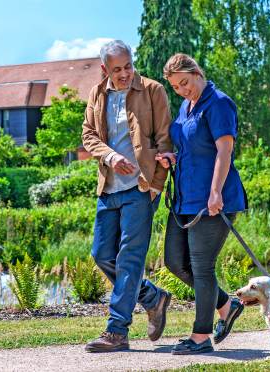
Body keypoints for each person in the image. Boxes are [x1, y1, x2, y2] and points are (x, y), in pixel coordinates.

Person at [82, 40, 173, 352]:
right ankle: (152, 297)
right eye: (117, 69)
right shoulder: (97, 93)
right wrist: (109, 157)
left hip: (141, 189)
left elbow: (164, 139)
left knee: (129, 260)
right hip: (108, 187)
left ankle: (116, 331)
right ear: (105, 69)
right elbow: (88, 135)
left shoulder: (152, 90)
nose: (124, 74)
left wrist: (157, 187)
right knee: (101, 254)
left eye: (128, 66)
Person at [156, 53, 247, 355]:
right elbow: (189, 147)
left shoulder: (218, 102)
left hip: (212, 200)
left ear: (196, 72)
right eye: (176, 87)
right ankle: (225, 304)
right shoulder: (186, 106)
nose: (182, 90)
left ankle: (201, 336)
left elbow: (224, 151)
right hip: (184, 199)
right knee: (174, 261)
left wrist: (216, 192)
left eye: (185, 83)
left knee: (202, 267)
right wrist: (172, 157)